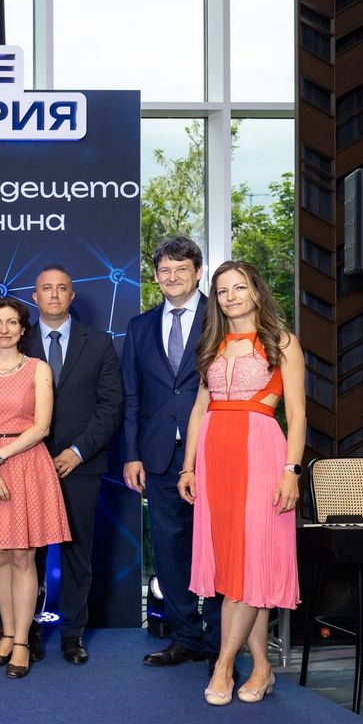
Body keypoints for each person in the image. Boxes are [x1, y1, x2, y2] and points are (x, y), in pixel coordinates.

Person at [179, 261, 304, 705]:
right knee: (238, 566)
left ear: (256, 291)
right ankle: (263, 668)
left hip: (262, 453)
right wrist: (188, 467)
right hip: (215, 458)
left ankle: (224, 665)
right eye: (223, 290)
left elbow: (298, 415)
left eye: (239, 287)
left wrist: (291, 470)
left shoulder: (281, 341)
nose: (231, 296)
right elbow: (199, 410)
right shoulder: (211, 344)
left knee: (251, 561)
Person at [119, 236, 222, 668]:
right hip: (158, 454)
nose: (173, 276)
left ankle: (219, 643)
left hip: (214, 452)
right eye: (165, 270)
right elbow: (132, 395)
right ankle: (185, 637)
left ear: (198, 272)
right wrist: (132, 454)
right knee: (168, 548)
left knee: (215, 548)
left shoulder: (221, 318)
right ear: (156, 276)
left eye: (181, 268)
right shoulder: (140, 326)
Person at [0, 297, 70, 679]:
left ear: (23, 329)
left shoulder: (39, 369)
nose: (4, 329)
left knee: (23, 555)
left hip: (24, 463)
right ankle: (5, 636)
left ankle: (22, 641)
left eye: (11, 323)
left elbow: (41, 427)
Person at [25, 265, 122, 665]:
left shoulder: (98, 343)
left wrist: (77, 451)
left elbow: (110, 405)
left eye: (61, 288)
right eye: (46, 288)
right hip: (27, 464)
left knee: (77, 550)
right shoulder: (16, 339)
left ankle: (72, 634)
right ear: (35, 297)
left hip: (80, 465)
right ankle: (26, 632)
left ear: (72, 296)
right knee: (27, 552)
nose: (54, 294)